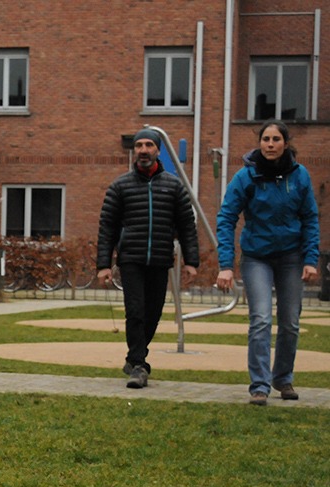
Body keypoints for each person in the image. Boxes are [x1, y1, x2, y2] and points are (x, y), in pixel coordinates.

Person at [215, 120, 320, 406]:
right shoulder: (246, 177)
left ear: (285, 143)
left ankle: (283, 378)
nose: (270, 144)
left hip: (291, 257)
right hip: (256, 257)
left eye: (276, 139)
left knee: (290, 322)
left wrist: (310, 259)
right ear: (259, 142)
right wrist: (225, 265)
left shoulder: (300, 176)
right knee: (261, 319)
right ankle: (259, 386)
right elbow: (226, 218)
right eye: (265, 139)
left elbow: (310, 218)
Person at [96, 128, 199, 389]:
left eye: (148, 145)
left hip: (161, 259)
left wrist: (191, 261)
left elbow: (187, 225)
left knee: (153, 313)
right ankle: (139, 364)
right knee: (135, 311)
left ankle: (134, 359)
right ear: (134, 150)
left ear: (157, 150)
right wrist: (104, 265)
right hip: (131, 258)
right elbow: (107, 227)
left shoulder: (174, 186)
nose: (143, 150)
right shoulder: (120, 186)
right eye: (139, 145)